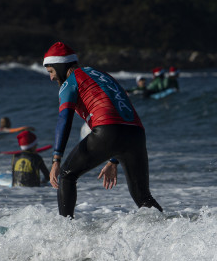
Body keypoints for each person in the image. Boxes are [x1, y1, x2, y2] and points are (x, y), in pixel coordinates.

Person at [43, 41, 163, 218]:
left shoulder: (70, 82)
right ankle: (173, 233)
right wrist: (114, 159)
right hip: (136, 133)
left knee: (67, 176)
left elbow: (64, 119)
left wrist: (56, 159)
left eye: (51, 71)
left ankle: (65, 231)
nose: (52, 78)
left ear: (60, 67)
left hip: (108, 131)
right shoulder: (102, 75)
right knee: (143, 196)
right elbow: (121, 110)